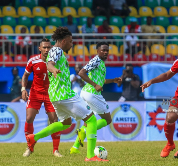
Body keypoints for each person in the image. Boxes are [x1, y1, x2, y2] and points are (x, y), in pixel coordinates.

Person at [25, 27, 108, 161]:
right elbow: (49, 64)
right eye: (70, 41)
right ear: (63, 41)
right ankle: (90, 156)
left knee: (65, 123)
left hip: (55, 95)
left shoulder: (57, 52)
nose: (72, 43)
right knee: (91, 120)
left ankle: (34, 137)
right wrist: (53, 70)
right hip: (64, 94)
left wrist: (53, 69)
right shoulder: (57, 50)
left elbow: (50, 63)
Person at [69, 42, 122, 154]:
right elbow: (81, 73)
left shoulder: (101, 63)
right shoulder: (96, 60)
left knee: (88, 121)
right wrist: (94, 85)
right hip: (92, 94)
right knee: (107, 119)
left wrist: (113, 80)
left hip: (86, 93)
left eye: (107, 50)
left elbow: (101, 82)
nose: (105, 52)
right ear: (97, 50)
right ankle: (85, 133)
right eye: (103, 50)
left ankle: (75, 148)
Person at [21, 38, 62, 157]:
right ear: (40, 48)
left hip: (51, 93)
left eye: (49, 47)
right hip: (35, 93)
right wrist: (23, 89)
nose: (47, 49)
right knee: (29, 118)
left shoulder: (56, 61)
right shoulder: (33, 61)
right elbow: (25, 75)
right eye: (44, 47)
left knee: (54, 120)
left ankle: (56, 150)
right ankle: (29, 148)